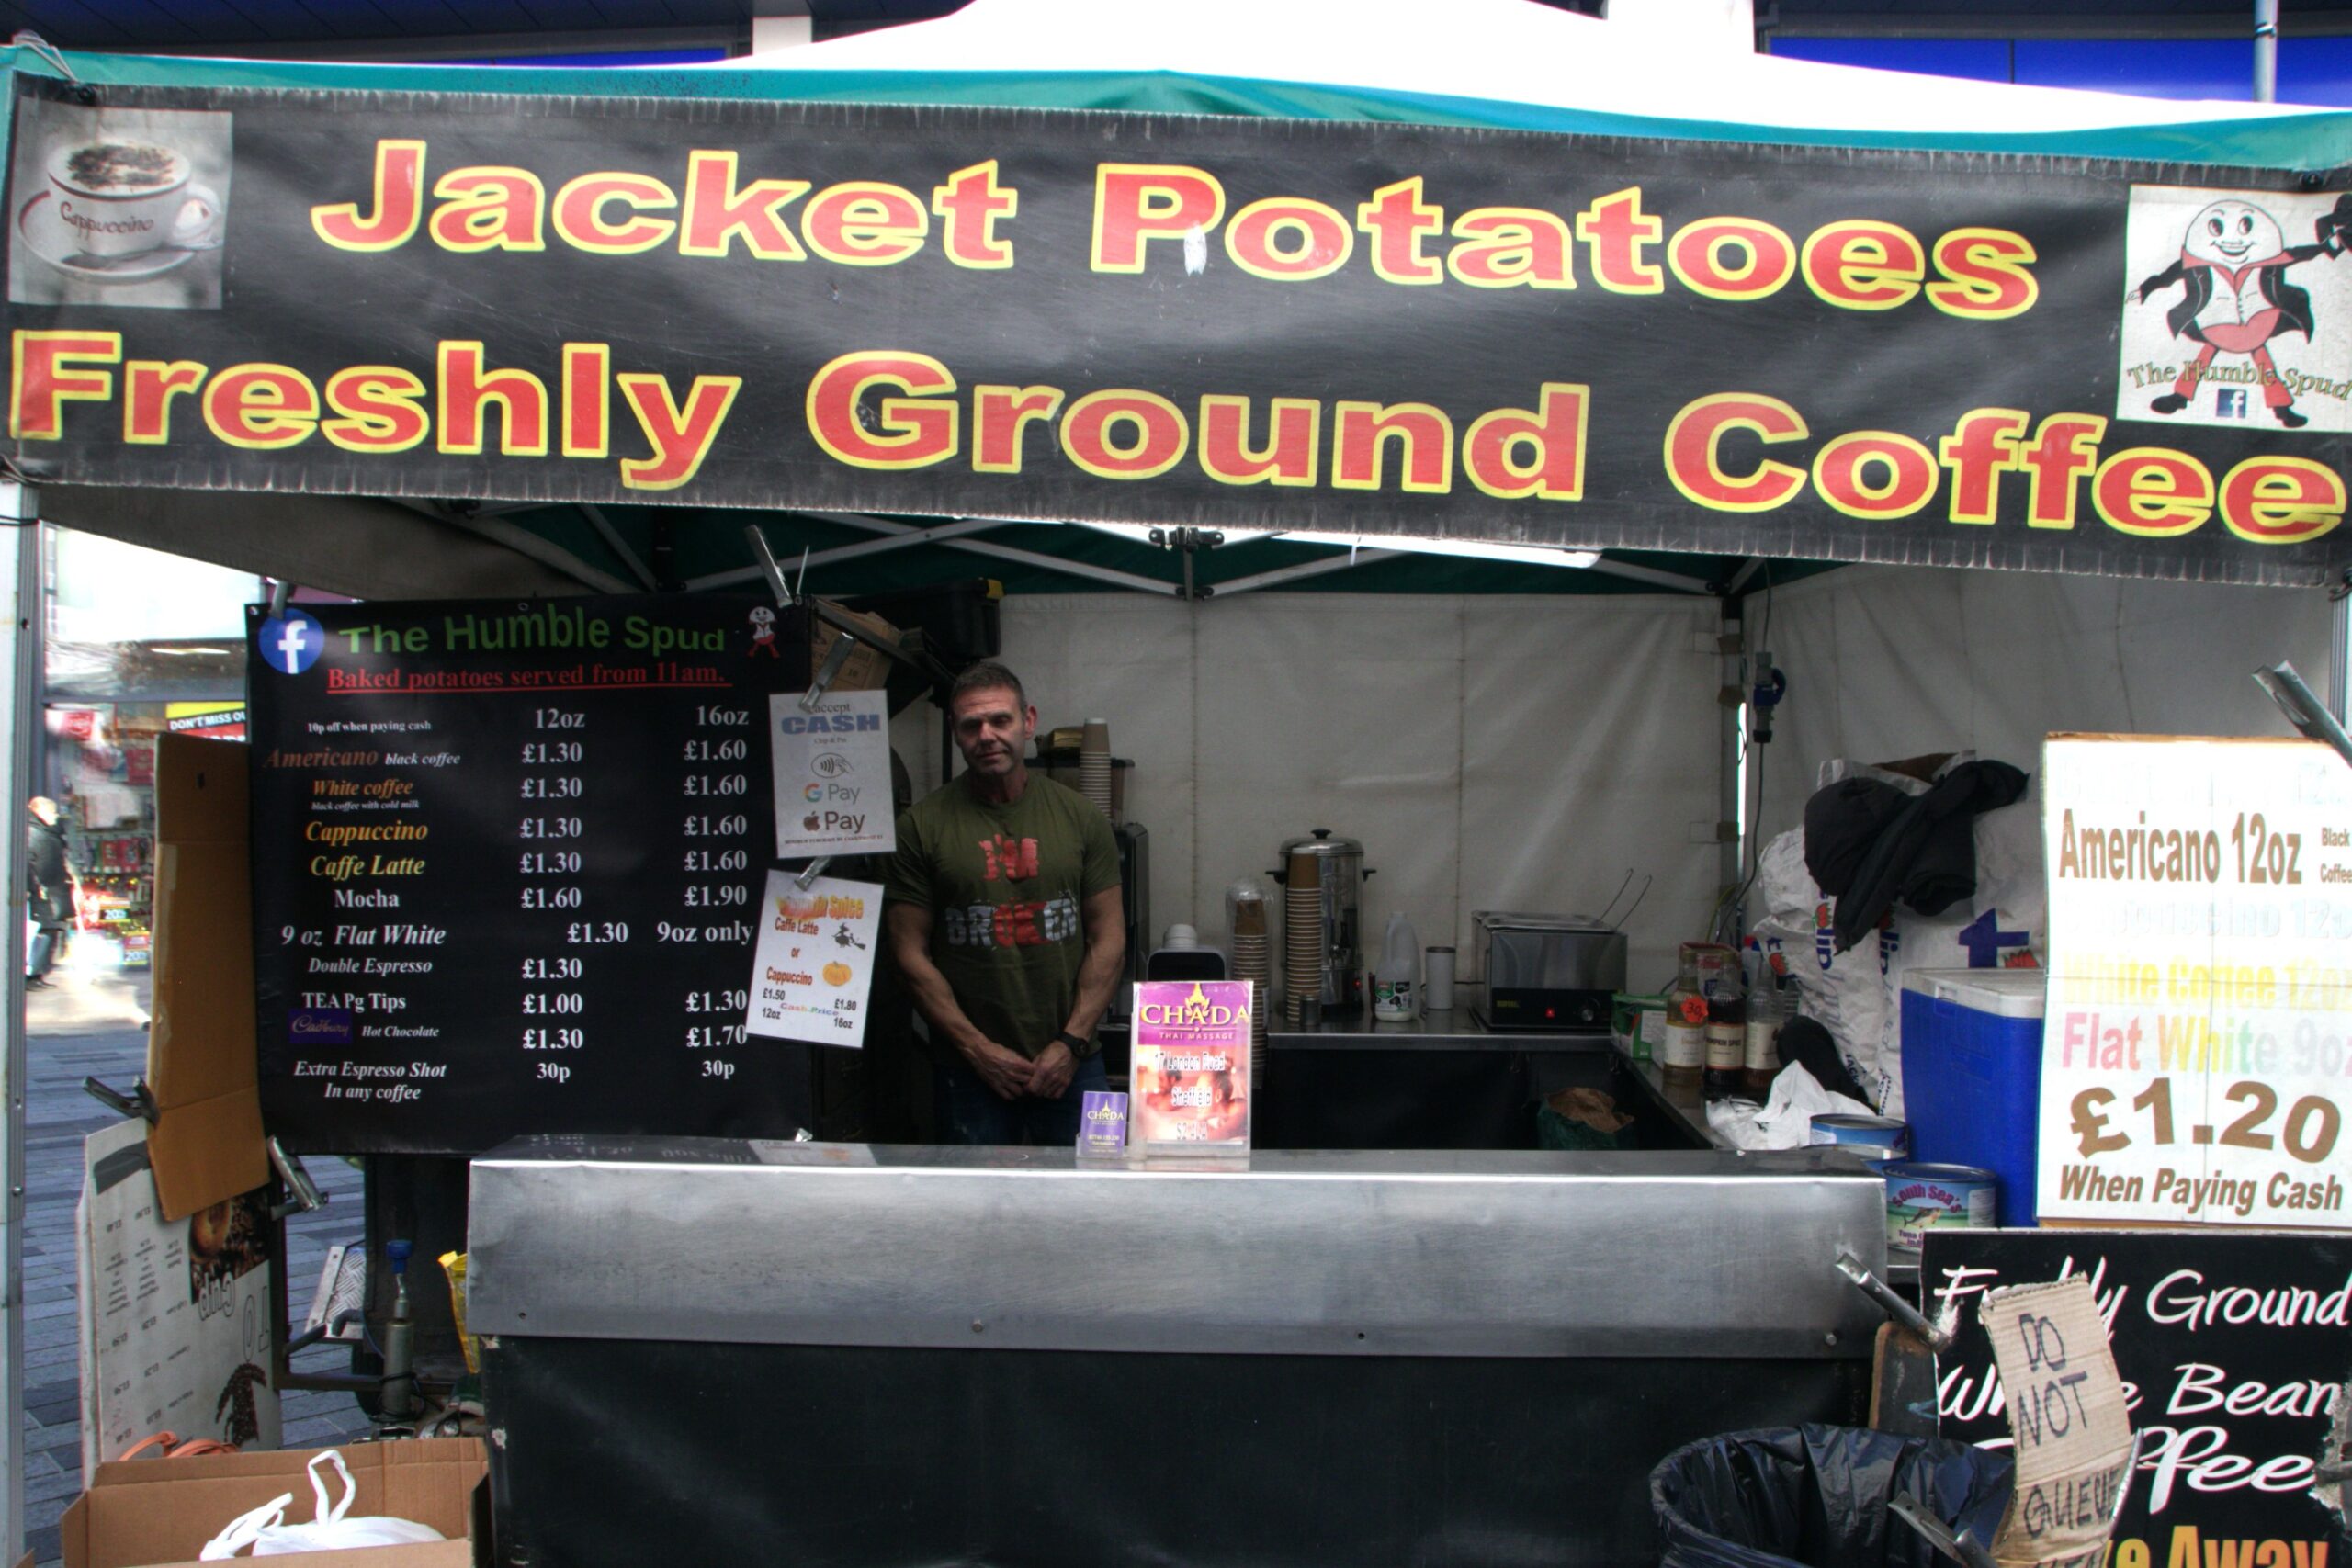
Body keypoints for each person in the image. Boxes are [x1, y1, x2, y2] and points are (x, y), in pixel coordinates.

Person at [886, 662, 1125, 1145]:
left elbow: (1110, 937)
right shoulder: (921, 827)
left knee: (1101, 1203)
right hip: (971, 1071)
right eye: (972, 725)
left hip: (1077, 1063)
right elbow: (908, 953)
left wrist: (1071, 1043)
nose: (987, 735)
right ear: (955, 732)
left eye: (1001, 720)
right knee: (979, 1215)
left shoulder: (1081, 817)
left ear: (1028, 721)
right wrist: (977, 1050)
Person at [25, 796, 75, 989]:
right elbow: (30, 863)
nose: (56, 816)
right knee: (44, 932)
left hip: (50, 890)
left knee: (49, 931)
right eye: (53, 812)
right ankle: (33, 973)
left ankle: (37, 973)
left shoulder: (45, 833)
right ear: (41, 811)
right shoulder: (34, 833)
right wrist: (36, 886)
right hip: (44, 892)